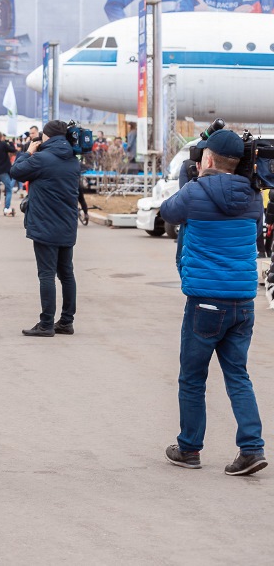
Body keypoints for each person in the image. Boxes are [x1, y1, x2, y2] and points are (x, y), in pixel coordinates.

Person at [159, 129, 266, 476]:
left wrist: (189, 177)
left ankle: (189, 448)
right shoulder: (253, 196)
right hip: (243, 303)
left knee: (192, 378)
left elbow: (168, 213)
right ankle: (251, 448)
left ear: (206, 159)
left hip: (206, 303)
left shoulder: (194, 191)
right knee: (238, 374)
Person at [10, 120, 81, 337]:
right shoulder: (72, 160)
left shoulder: (42, 158)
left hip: (45, 224)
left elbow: (16, 171)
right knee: (66, 274)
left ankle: (46, 323)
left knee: (46, 275)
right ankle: (66, 322)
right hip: (67, 223)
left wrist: (28, 152)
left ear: (47, 137)